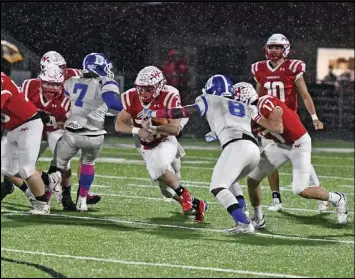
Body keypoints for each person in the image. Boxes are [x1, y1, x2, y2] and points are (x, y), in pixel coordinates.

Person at [138, 74, 260, 233]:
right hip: (253, 149)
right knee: (230, 181)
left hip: (237, 146)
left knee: (218, 187)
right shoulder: (240, 105)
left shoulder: (208, 99)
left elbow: (183, 111)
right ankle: (243, 214)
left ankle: (244, 224)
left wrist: (153, 113)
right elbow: (232, 122)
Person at [235, 82, 349, 227]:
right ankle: (258, 219)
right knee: (252, 179)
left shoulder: (266, 102)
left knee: (301, 190)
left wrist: (257, 118)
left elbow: (278, 128)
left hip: (298, 144)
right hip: (279, 145)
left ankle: (338, 198)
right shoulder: (250, 113)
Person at [1, 51, 102, 209]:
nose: (51, 85)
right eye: (47, 82)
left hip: (59, 128)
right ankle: (16, 186)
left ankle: (67, 196)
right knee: (14, 166)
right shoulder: (30, 86)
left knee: (63, 161)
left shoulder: (73, 80)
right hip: (35, 128)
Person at [115, 66, 206, 222]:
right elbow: (119, 125)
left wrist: (153, 127)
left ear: (158, 87)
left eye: (148, 89)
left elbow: (175, 129)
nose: (143, 93)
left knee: (163, 170)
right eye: (141, 89)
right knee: (167, 191)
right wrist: (138, 131)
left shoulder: (169, 96)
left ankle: (185, 196)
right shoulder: (131, 96)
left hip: (167, 140)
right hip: (146, 146)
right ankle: (196, 202)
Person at [251, 33, 326, 212]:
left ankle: (320, 194)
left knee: (300, 157)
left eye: (278, 47)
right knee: (268, 158)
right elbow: (257, 96)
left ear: (286, 49)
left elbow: (305, 95)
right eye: (272, 47)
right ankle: (276, 198)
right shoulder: (259, 68)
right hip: (269, 121)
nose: (275, 50)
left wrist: (314, 117)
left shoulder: (293, 67)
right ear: (266, 49)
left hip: (289, 121)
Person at [47, 52, 122, 212]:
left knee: (56, 167)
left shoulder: (71, 82)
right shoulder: (105, 82)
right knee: (88, 164)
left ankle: (43, 201)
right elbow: (112, 103)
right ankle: (82, 201)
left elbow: (76, 99)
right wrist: (127, 110)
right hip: (93, 135)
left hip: (71, 133)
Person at [1, 71, 62, 214]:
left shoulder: (2, 80)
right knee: (6, 168)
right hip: (13, 127)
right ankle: (46, 180)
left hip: (28, 124)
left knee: (25, 169)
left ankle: (42, 205)